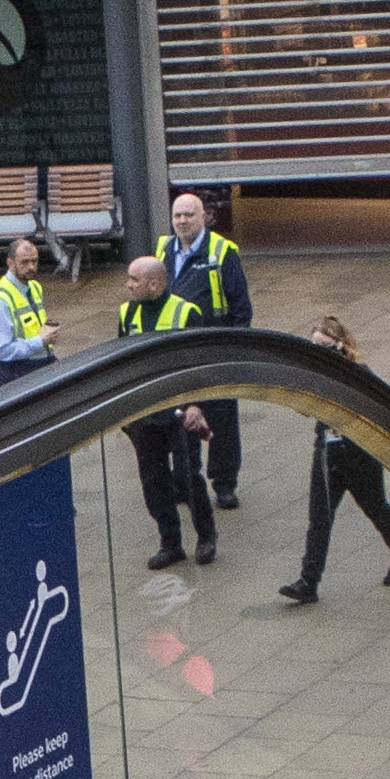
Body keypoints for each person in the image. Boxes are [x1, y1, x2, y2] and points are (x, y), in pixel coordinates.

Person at [282, 315, 390, 605]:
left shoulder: (358, 373)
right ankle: (309, 581)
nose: (320, 353)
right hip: (328, 453)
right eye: (315, 346)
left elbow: (377, 410)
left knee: (376, 507)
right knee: (319, 519)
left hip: (359, 455)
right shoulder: (313, 374)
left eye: (326, 346)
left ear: (342, 346)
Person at [112, 248, 219, 569]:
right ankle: (170, 543)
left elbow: (202, 363)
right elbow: (122, 362)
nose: (128, 285)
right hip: (145, 412)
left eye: (135, 279)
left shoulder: (187, 313)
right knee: (153, 480)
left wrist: (197, 404)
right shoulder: (126, 313)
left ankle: (206, 537)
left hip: (178, 410)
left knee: (189, 477)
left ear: (156, 284)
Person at [155, 186, 253, 498]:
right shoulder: (163, 251)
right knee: (183, 416)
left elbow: (241, 307)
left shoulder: (222, 252)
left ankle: (224, 484)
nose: (182, 221)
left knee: (221, 415)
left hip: (215, 346)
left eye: (188, 215)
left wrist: (234, 350)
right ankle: (185, 481)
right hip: (177, 350)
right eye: (177, 215)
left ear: (204, 218)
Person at [0, 230, 56, 389]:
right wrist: (40, 341)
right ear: (10, 263)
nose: (31, 267)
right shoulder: (0, 301)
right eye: (25, 262)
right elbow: (0, 350)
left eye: (34, 261)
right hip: (15, 378)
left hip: (40, 368)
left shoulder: (34, 287)